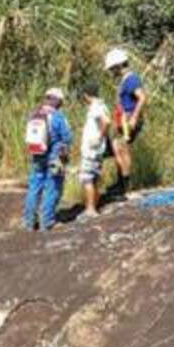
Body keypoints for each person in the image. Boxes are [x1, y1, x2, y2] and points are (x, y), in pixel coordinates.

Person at [22, 87, 73, 231]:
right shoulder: (58, 117)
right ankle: (47, 221)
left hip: (37, 156)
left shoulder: (34, 114)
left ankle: (29, 222)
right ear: (57, 101)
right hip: (55, 157)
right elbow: (68, 137)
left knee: (34, 187)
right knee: (53, 187)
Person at [104, 47, 147, 200]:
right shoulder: (125, 80)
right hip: (122, 119)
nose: (111, 72)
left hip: (128, 119)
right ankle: (121, 183)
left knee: (122, 150)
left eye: (112, 68)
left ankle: (126, 188)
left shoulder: (131, 79)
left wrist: (134, 117)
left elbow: (142, 97)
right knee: (117, 149)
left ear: (119, 65)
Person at [77, 82, 111, 218]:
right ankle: (93, 206)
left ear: (86, 95)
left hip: (92, 150)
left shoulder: (97, 107)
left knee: (87, 179)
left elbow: (107, 122)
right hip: (95, 149)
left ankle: (90, 210)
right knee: (93, 178)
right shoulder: (100, 105)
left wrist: (99, 138)